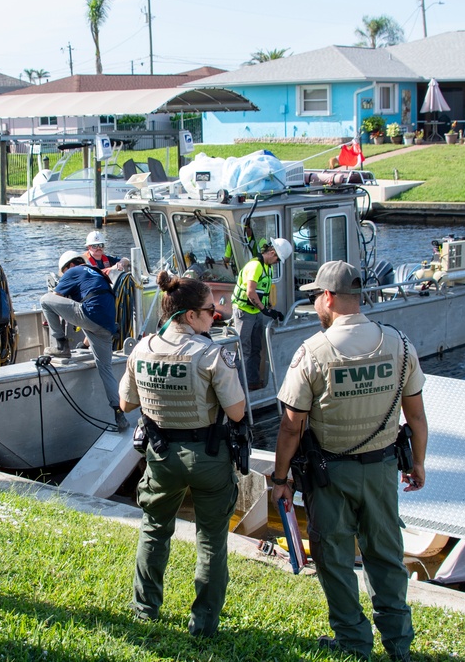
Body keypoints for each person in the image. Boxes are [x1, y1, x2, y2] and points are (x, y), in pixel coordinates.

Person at [269, 260, 428, 662]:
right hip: (381, 470)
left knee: (333, 556)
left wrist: (280, 477)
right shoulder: (399, 343)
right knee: (386, 555)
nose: (315, 307)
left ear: (328, 297)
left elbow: (291, 428)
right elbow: (417, 416)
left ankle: (354, 640)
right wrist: (418, 463)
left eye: (316, 299)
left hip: (329, 475)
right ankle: (398, 644)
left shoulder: (313, 352)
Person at [118, 271, 246, 638]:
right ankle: (203, 624)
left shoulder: (141, 349)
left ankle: (144, 609)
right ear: (191, 316)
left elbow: (126, 403)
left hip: (160, 456)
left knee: (154, 530)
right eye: (210, 310)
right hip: (207, 456)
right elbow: (236, 412)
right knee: (211, 539)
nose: (215, 314)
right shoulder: (210, 354)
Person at [41, 250, 128, 431]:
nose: (64, 277)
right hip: (107, 326)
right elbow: (93, 300)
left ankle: (60, 345)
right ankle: (119, 413)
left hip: (90, 315)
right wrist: (85, 344)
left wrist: (53, 316)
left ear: (70, 266)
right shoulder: (95, 272)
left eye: (63, 273)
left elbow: (54, 299)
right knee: (105, 369)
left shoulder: (73, 271)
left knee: (44, 300)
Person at [231, 237, 293, 390]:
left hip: (255, 312)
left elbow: (263, 291)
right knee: (243, 350)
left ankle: (252, 381)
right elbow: (251, 292)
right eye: (278, 259)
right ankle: (239, 387)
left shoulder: (267, 268)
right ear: (272, 253)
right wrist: (264, 309)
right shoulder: (255, 266)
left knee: (256, 348)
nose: (277, 262)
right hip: (244, 312)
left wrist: (270, 310)